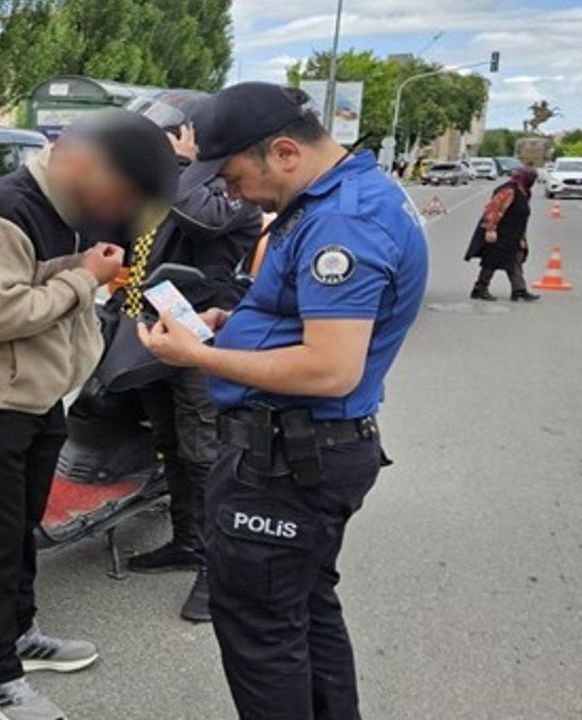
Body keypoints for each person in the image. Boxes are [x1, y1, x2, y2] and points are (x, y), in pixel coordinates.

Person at [137, 82, 428, 720]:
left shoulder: (343, 221)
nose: (234, 194)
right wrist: (229, 321)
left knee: (262, 632)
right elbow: (299, 315)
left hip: (287, 462)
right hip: (301, 452)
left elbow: (330, 368)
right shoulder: (336, 196)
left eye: (234, 177)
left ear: (285, 153)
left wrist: (200, 357)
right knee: (304, 609)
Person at [0, 110, 178, 720]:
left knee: (22, 527)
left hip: (37, 396)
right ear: (85, 164)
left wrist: (89, 279)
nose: (118, 208)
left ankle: (21, 633)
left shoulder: (69, 213)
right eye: (120, 192)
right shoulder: (0, 213)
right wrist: (85, 279)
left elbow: (56, 296)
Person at [123, 93, 264, 626]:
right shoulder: (163, 186)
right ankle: (186, 540)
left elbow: (197, 220)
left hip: (203, 331)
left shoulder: (229, 192)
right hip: (155, 326)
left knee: (205, 451)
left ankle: (215, 566)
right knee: (171, 445)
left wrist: (185, 166)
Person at [465, 167, 540, 301]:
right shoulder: (508, 190)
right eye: (530, 179)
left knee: (515, 259)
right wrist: (490, 229)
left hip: (514, 234)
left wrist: (522, 237)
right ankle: (480, 288)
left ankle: (519, 290)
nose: (532, 182)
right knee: (492, 260)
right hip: (500, 232)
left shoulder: (524, 192)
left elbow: (521, 217)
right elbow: (494, 209)